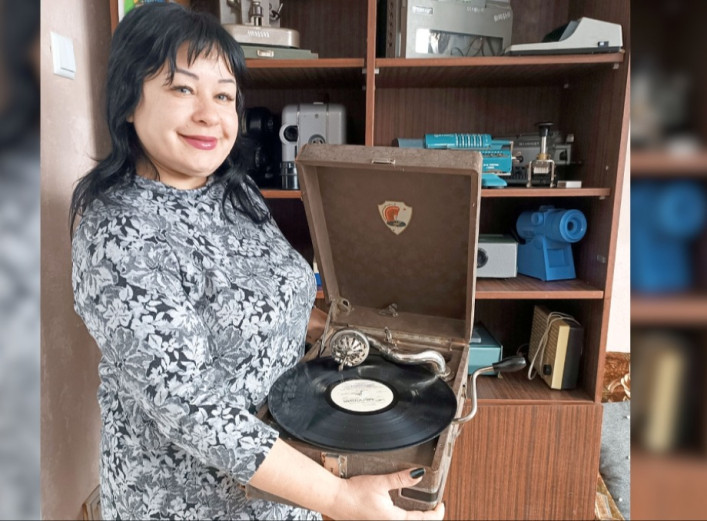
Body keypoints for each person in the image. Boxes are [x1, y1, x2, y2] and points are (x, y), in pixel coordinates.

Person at [70, 3, 445, 520]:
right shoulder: (116, 232)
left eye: (224, 95)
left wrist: (354, 332)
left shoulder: (235, 191)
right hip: (185, 505)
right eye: (182, 89)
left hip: (289, 482)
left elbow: (274, 295)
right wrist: (338, 499)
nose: (210, 114)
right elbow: (191, 408)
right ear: (128, 100)